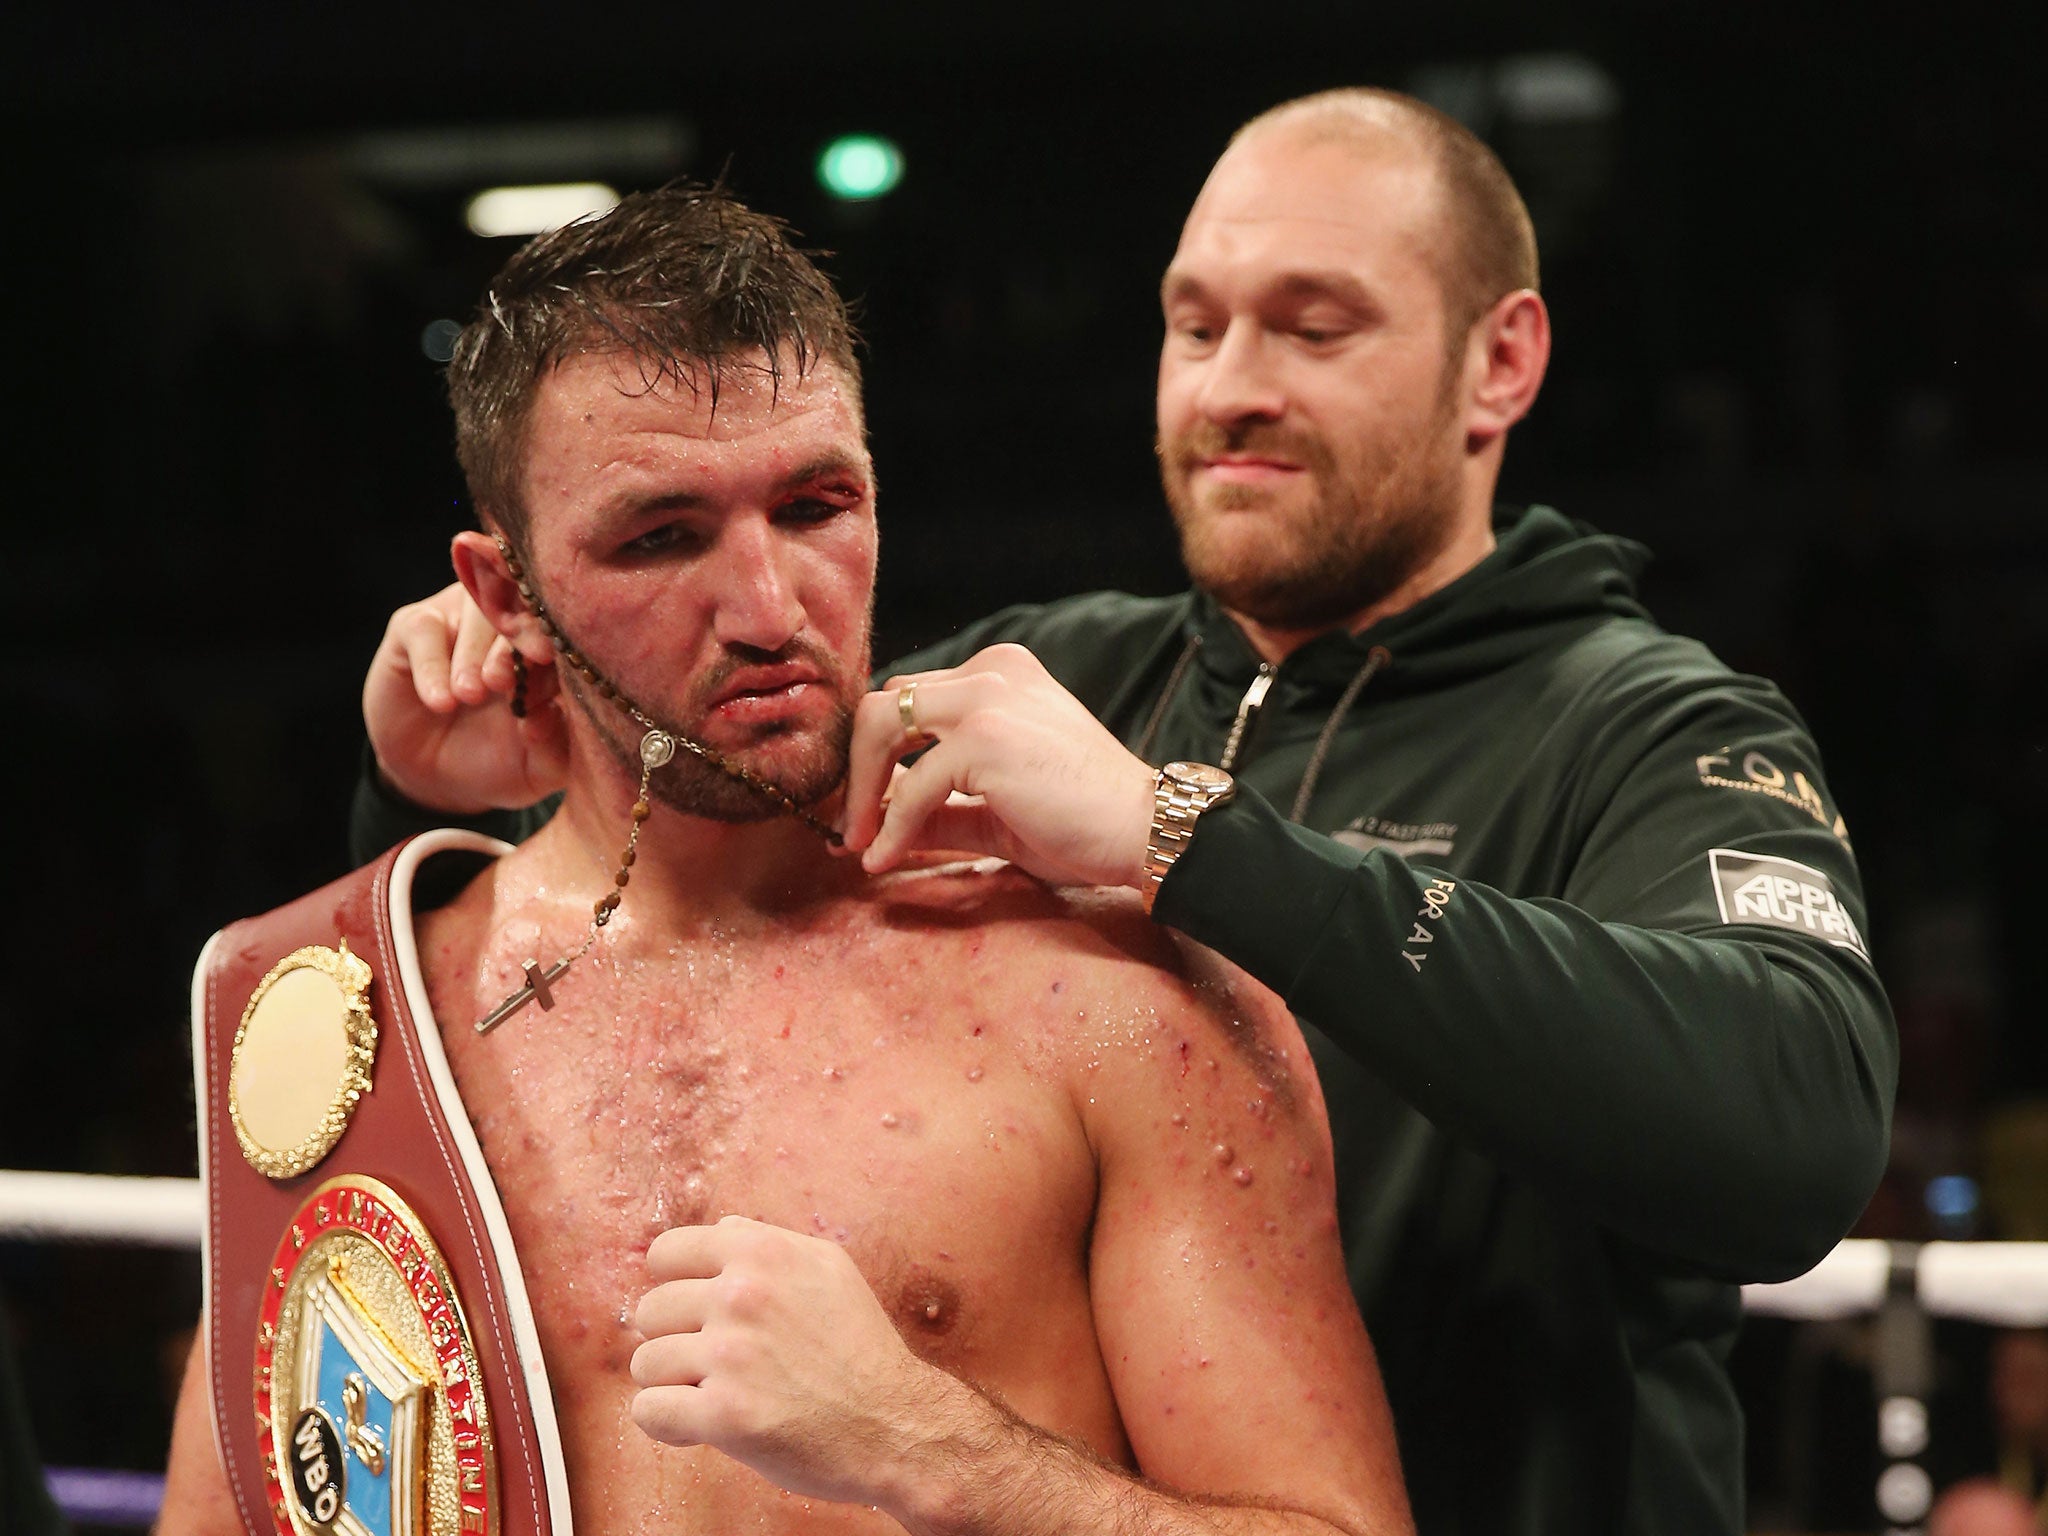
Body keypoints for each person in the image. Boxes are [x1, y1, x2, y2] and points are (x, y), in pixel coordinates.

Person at [352, 91, 1896, 1534]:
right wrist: (449, 763)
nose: (1232, 387)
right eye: (1194, 322)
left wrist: (1188, 840)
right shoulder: (1046, 679)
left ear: (1500, 363)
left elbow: (1795, 1140)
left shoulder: (1646, 727)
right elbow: (642, 912)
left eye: (1314, 327)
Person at [160, 185, 1412, 1536]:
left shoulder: (1115, 999)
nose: (769, 609)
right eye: (662, 536)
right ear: (505, 592)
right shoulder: (339, 1018)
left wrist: (940, 1452)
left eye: (817, 507)